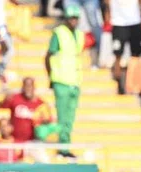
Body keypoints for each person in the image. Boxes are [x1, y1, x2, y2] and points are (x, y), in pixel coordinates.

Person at [45, 5, 85, 156]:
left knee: (70, 118)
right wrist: (51, 76)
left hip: (75, 81)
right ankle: (63, 147)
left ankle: (66, 145)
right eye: (71, 18)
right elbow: (48, 56)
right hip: (61, 80)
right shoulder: (59, 33)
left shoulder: (80, 35)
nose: (74, 21)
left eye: (76, 18)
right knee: (62, 117)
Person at [110, 0, 141, 89]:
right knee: (118, 55)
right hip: (118, 22)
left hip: (134, 21)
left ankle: (135, 84)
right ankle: (118, 84)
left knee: (136, 55)